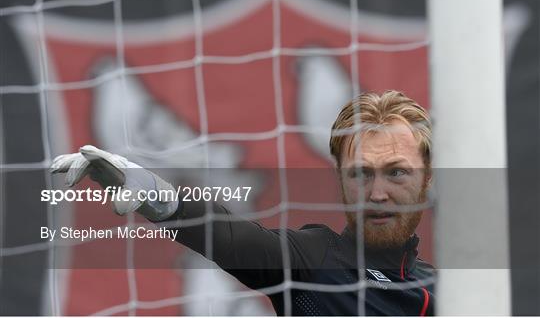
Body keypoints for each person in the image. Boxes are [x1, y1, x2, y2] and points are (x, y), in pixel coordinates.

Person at [51, 90, 435, 316]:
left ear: (427, 177)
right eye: (360, 173)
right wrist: (156, 196)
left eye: (397, 172)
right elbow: (238, 239)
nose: (377, 192)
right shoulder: (318, 261)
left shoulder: (452, 292)